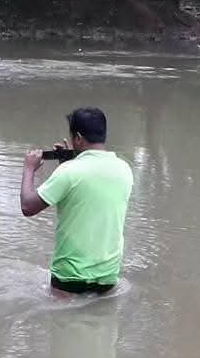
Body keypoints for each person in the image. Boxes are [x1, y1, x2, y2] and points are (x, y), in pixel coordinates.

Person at [19, 107, 134, 294]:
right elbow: (88, 194)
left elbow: (27, 206)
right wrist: (68, 163)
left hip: (69, 279)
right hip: (107, 278)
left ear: (78, 138)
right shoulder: (125, 169)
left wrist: (28, 169)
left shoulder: (69, 172)